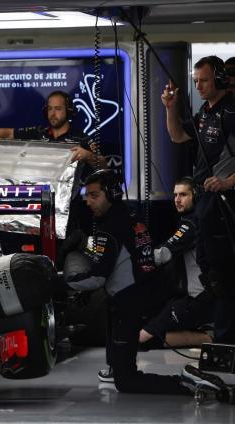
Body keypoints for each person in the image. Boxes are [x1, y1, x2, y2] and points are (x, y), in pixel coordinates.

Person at [63, 170, 190, 395]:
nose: (88, 201)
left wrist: (59, 283)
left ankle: (185, 384)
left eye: (94, 195)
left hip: (129, 302)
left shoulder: (109, 228)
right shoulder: (131, 217)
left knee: (126, 382)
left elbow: (97, 277)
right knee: (117, 352)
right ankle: (118, 367)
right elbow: (124, 261)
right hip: (140, 294)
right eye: (86, 196)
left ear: (112, 194)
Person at [162, 55, 235, 343]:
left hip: (224, 203)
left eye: (204, 80)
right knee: (210, 272)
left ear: (220, 79)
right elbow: (178, 136)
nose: (199, 86)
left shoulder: (231, 110)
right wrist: (170, 107)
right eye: (196, 81)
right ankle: (220, 337)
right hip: (205, 204)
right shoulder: (205, 111)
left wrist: (228, 182)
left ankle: (225, 341)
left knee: (223, 275)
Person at [0, 90, 105, 235]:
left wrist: (87, 155)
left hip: (68, 212)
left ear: (69, 111)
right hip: (37, 212)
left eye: (58, 109)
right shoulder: (38, 133)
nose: (53, 113)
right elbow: (8, 133)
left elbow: (104, 166)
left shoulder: (81, 139)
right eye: (50, 109)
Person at [139, 177, 214, 348]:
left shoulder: (190, 224)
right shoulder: (202, 218)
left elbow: (164, 253)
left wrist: (135, 259)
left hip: (199, 299)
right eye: (175, 195)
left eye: (183, 195)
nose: (177, 200)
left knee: (143, 339)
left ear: (196, 196)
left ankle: (212, 338)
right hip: (201, 297)